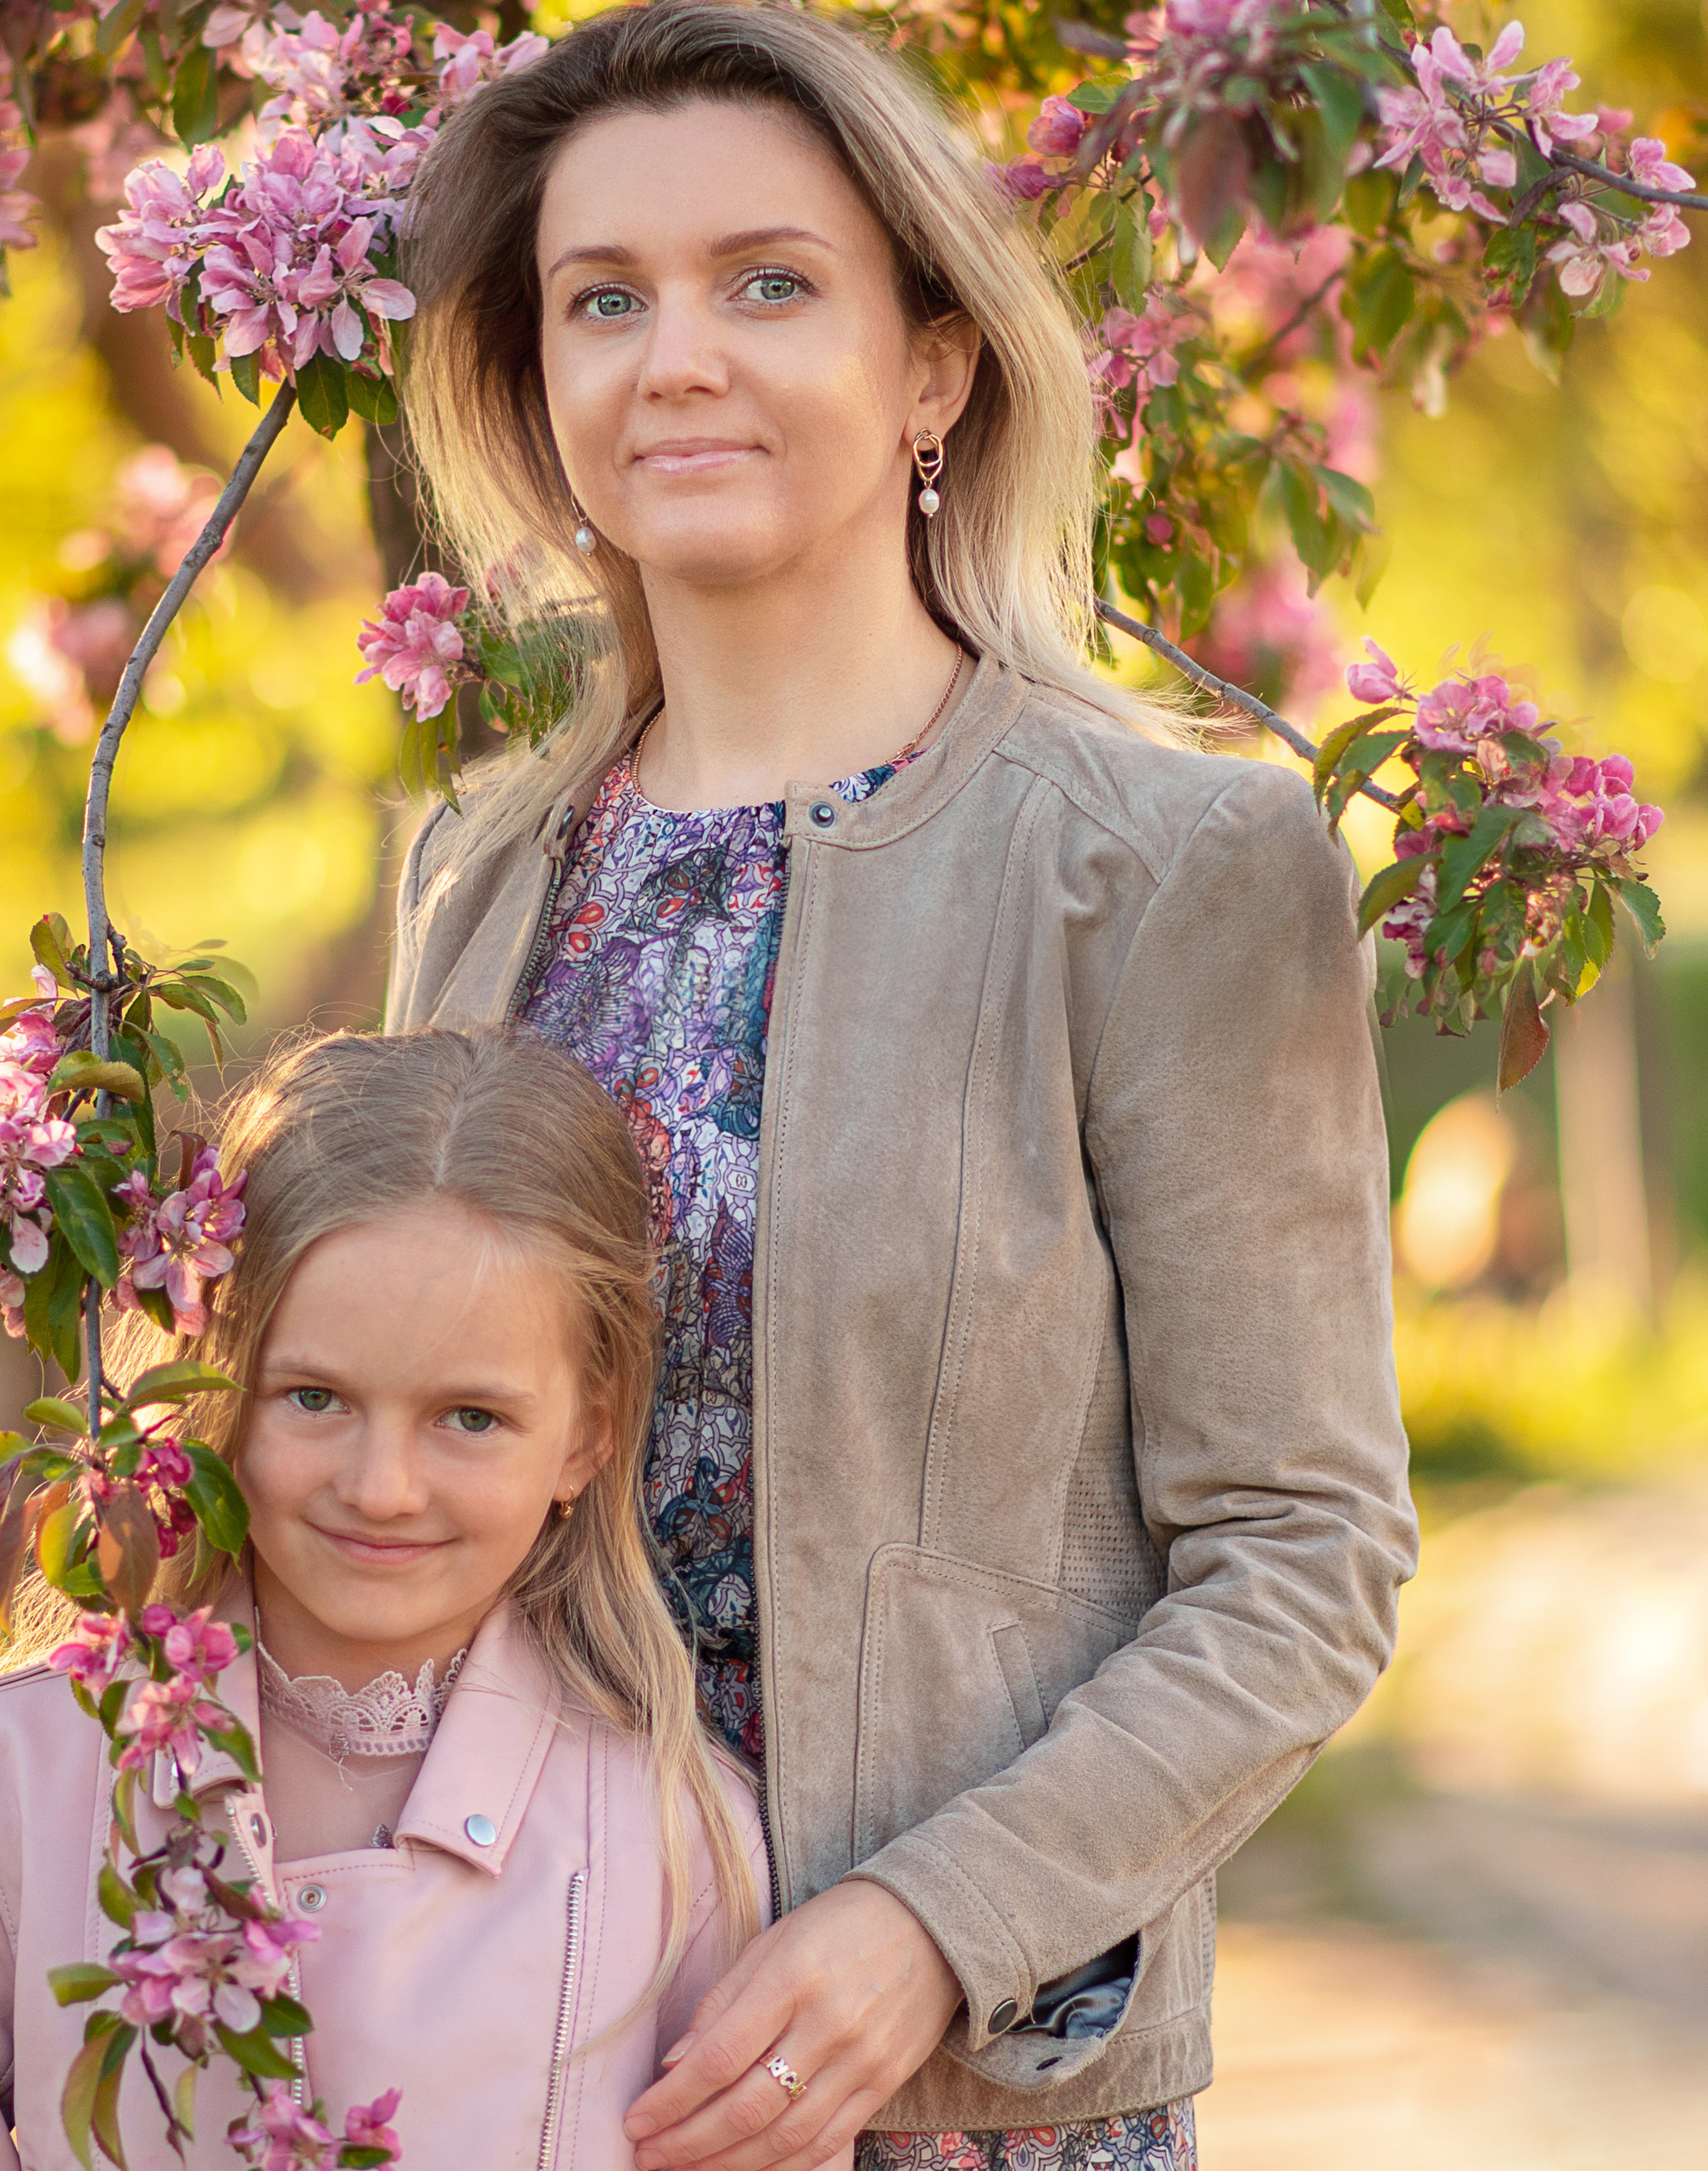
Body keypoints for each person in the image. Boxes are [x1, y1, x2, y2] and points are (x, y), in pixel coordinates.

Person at [387, 6, 1419, 2168]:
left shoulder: (1162, 866)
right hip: (527, 2055)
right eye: (604, 300)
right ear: (539, 380)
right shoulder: (480, 872)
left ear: (931, 364)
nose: (676, 357)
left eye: (768, 282)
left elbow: (1299, 1548)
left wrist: (926, 1929)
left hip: (962, 2089)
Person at [0, 1027, 819, 2171]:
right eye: (316, 1397)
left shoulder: (676, 1836)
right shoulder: (15, 1774)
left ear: (586, 1437)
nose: (383, 1490)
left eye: (471, 1418)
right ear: (217, 1378)